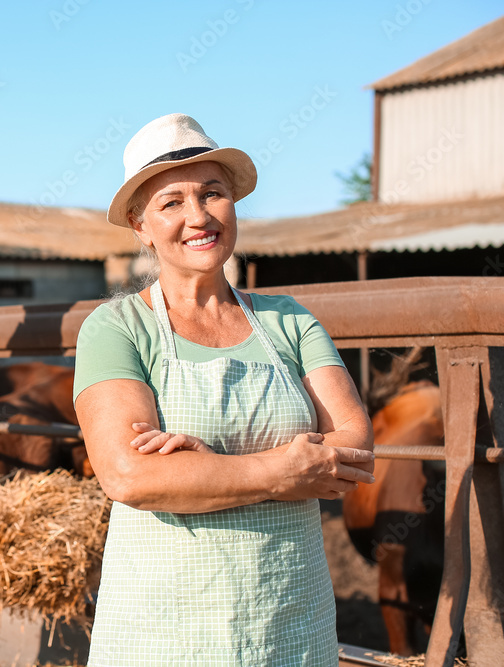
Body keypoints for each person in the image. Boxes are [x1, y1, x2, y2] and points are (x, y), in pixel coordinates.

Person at [73, 114, 375, 666]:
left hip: (288, 621)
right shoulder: (116, 328)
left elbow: (352, 449)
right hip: (162, 631)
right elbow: (128, 475)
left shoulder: (289, 321)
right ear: (141, 225)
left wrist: (203, 470)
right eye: (171, 203)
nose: (198, 217)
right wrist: (284, 470)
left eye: (213, 193)